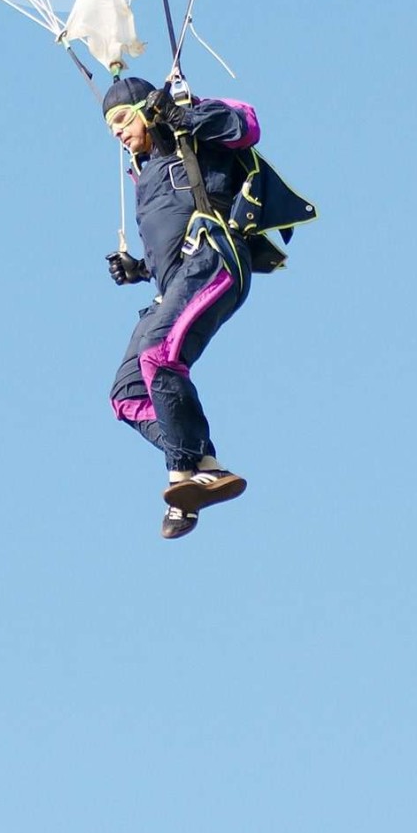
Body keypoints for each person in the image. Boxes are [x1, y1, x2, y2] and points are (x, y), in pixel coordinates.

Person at [102, 74, 265, 542]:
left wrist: (184, 113)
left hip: (214, 258)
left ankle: (182, 473)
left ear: (147, 111)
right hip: (173, 281)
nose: (116, 130)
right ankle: (203, 466)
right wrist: (138, 270)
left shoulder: (192, 133)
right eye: (109, 124)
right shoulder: (147, 169)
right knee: (128, 394)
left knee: (159, 353)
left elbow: (246, 125)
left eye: (122, 118)